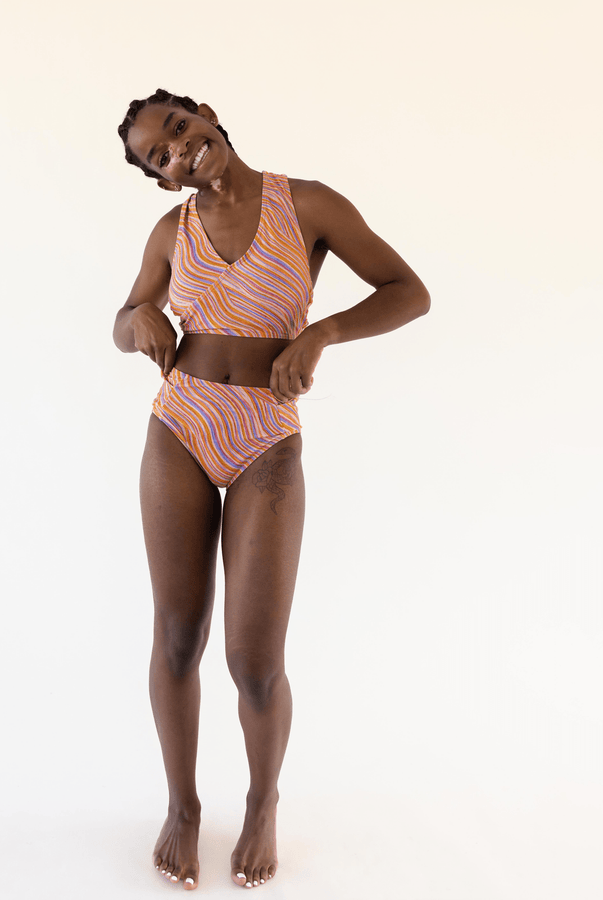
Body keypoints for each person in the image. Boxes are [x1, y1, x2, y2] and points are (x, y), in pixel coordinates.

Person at [114, 88, 430, 891]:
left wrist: (320, 332)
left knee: (254, 662)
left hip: (266, 439)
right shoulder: (169, 231)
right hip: (179, 425)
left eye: (179, 128)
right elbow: (127, 316)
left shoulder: (308, 205)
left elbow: (408, 290)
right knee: (177, 637)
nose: (178, 149)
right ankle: (183, 807)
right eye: (160, 154)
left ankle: (262, 802)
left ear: (209, 116)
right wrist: (135, 322)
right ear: (161, 180)